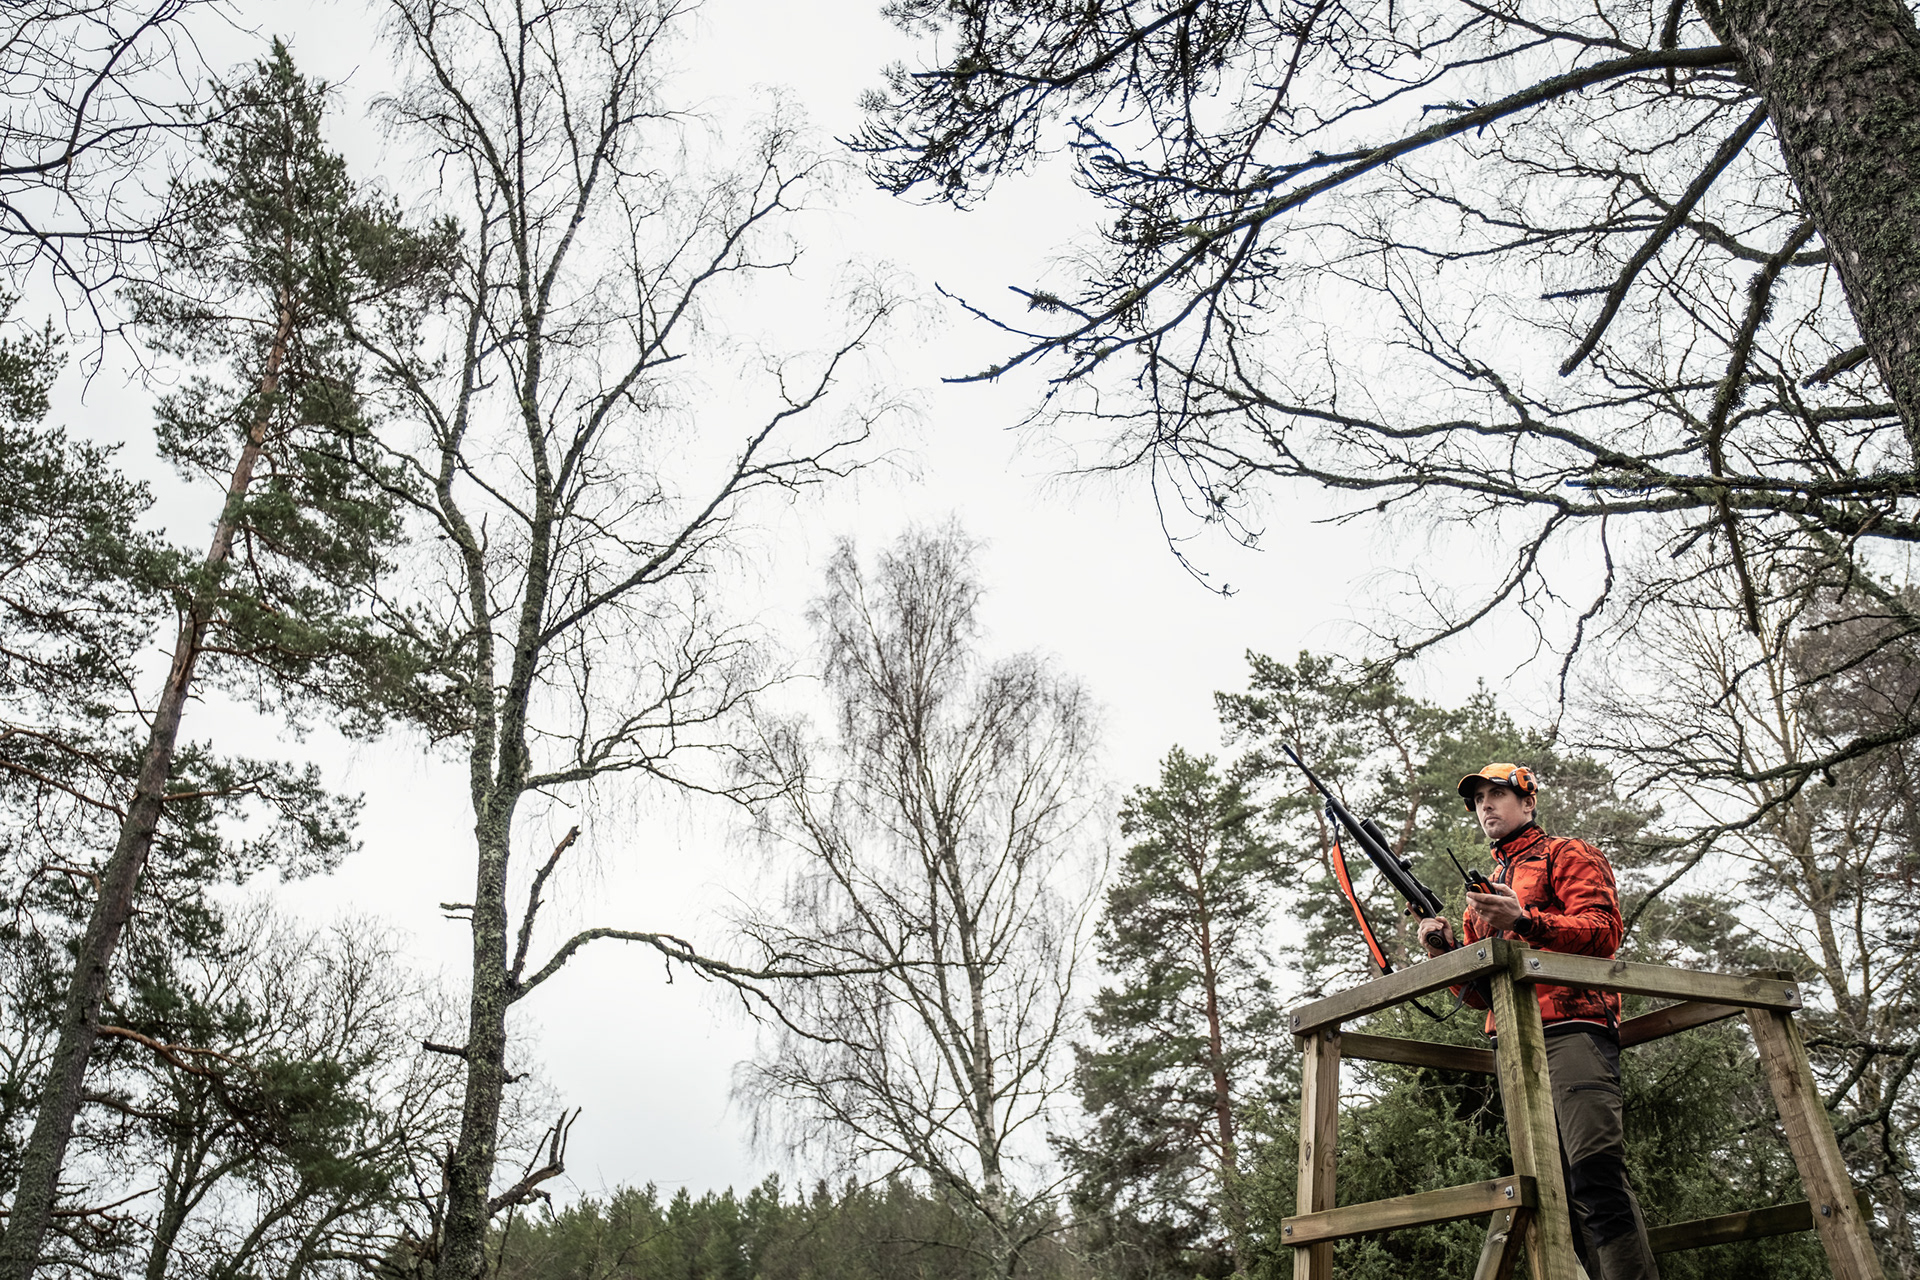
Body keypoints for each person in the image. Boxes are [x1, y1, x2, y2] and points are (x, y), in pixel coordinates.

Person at [1416, 763, 1660, 1280]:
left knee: (1595, 1175)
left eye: (1497, 794)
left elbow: (1603, 933)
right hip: (1511, 1044)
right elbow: (1480, 996)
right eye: (1478, 799)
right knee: (1555, 1193)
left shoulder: (1567, 853)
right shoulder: (1482, 897)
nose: (1485, 805)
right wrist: (1444, 953)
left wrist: (1524, 920)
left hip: (1573, 1029)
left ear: (1528, 803)